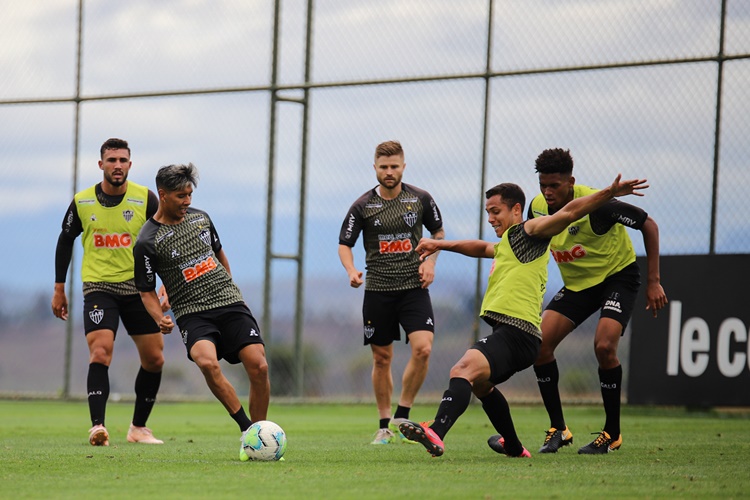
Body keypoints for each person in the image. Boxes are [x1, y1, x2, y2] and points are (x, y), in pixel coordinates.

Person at [398, 173, 648, 459]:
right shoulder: (509, 242)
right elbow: (481, 247)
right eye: (488, 212)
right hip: (513, 335)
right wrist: (440, 244)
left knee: (462, 369)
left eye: (496, 211)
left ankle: (436, 432)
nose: (490, 218)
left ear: (516, 210)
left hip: (519, 333)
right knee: (482, 385)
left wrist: (609, 192)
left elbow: (568, 213)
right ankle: (515, 448)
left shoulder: (530, 232)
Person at [526, 148, 668, 454]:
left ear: (571, 181)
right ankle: (559, 429)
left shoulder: (598, 204)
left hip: (617, 278)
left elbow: (649, 225)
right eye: (543, 185)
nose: (547, 192)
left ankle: (612, 434)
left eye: (555, 186)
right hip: (577, 286)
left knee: (604, 347)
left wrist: (654, 281)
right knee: (539, 347)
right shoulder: (537, 207)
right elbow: (534, 249)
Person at [133, 163, 270, 461]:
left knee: (259, 366)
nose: (187, 201)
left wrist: (232, 288)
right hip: (192, 312)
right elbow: (145, 289)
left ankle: (262, 436)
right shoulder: (147, 241)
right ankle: (250, 433)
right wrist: (160, 317)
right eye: (181, 195)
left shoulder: (201, 218)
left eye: (190, 194)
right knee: (207, 362)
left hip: (229, 302)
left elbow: (219, 253)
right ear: (163, 194)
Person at [51, 137, 165, 446]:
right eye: (111, 160)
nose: (117, 165)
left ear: (130, 164)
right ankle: (97, 426)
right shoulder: (82, 201)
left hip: (139, 290)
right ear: (101, 164)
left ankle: (138, 429)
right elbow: (65, 241)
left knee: (154, 359)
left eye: (122, 160)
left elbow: (165, 240)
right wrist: (59, 288)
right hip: (99, 288)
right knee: (100, 352)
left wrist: (165, 285)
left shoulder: (146, 199)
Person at [338, 140, 445, 444]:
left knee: (423, 348)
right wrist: (351, 270)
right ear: (375, 168)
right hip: (378, 290)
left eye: (394, 166)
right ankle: (385, 425)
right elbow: (344, 243)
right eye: (383, 167)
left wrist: (431, 262)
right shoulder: (362, 206)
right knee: (382, 358)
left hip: (414, 288)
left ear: (403, 167)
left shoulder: (420, 199)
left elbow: (438, 233)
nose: (389, 172)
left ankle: (403, 414)